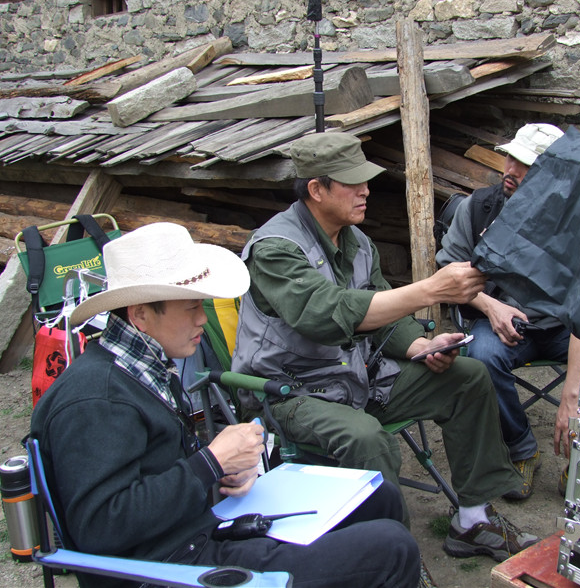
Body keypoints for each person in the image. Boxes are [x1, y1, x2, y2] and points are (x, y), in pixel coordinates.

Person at [29, 222, 421, 588]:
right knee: (394, 548)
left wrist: (221, 473)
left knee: (379, 496)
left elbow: (156, 470)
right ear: (141, 315)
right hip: (172, 567)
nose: (202, 319)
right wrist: (210, 463)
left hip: (196, 529)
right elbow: (100, 526)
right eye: (191, 307)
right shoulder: (96, 399)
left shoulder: (143, 369)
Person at [231, 131, 539, 563]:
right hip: (289, 393)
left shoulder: (357, 242)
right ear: (317, 190)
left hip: (356, 379)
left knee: (468, 377)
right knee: (367, 438)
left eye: (365, 180)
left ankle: (473, 520)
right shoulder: (275, 248)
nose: (366, 190)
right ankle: (391, 561)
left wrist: (422, 345)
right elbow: (325, 315)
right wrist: (430, 289)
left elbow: (382, 318)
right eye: (353, 182)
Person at [436, 123, 580, 500]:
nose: (511, 169)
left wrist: (572, 391)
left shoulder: (579, 222)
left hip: (566, 328)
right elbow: (447, 268)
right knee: (481, 356)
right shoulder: (478, 208)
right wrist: (489, 306)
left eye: (526, 163)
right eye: (511, 157)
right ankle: (522, 449)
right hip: (505, 325)